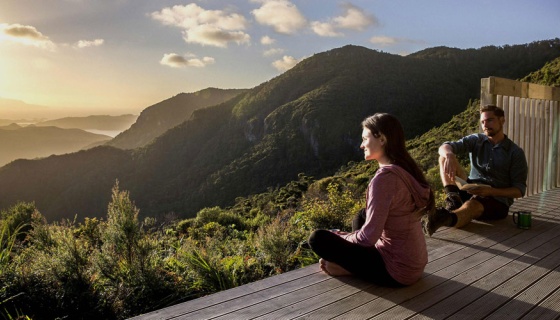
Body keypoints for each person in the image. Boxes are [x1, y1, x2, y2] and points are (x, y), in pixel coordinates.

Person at [308, 113, 434, 287]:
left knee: (317, 238)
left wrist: (340, 236)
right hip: (414, 262)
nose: (361, 145)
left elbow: (368, 238)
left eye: (365, 139)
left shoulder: (385, 179)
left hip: (397, 271)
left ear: (381, 139)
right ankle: (352, 266)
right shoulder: (406, 168)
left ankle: (348, 269)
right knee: (362, 215)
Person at [422, 104, 528, 236]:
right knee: (444, 157)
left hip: (496, 201)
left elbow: (519, 190)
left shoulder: (515, 152)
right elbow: (444, 146)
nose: (485, 125)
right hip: (471, 188)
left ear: (502, 120)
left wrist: (491, 191)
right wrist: (449, 154)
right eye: (483, 121)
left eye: (490, 120)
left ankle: (440, 219)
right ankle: (453, 199)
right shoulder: (477, 140)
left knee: (471, 206)